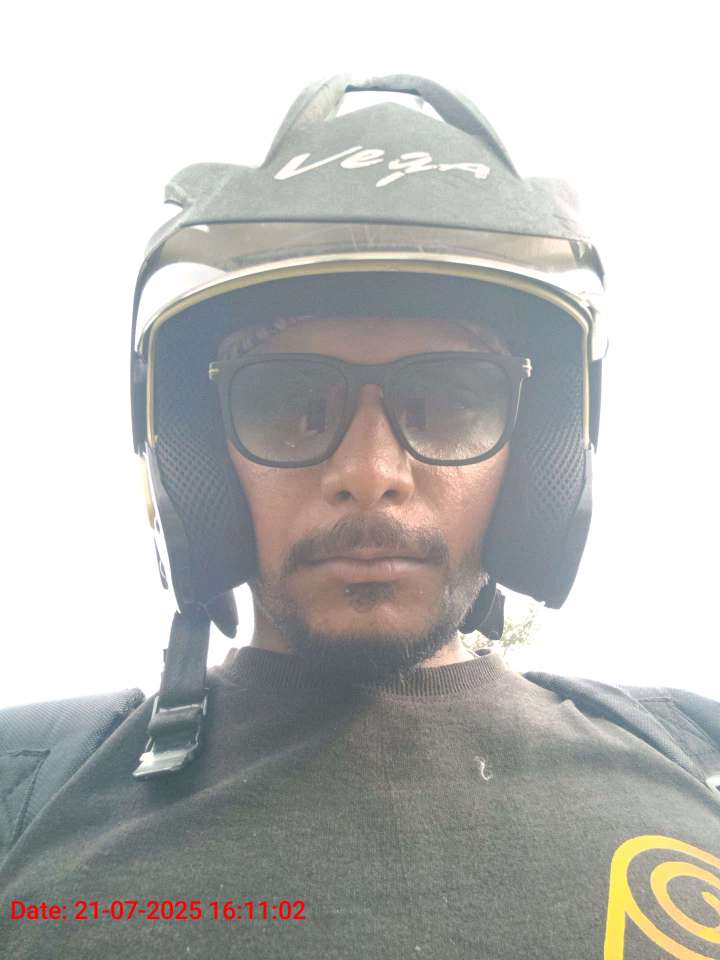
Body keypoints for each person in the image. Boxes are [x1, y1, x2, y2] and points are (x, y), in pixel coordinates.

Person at [1, 73, 719, 960]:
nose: (372, 474)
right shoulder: (23, 798)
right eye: (290, 404)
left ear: (536, 454)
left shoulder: (700, 765)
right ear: (196, 459)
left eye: (449, 401)